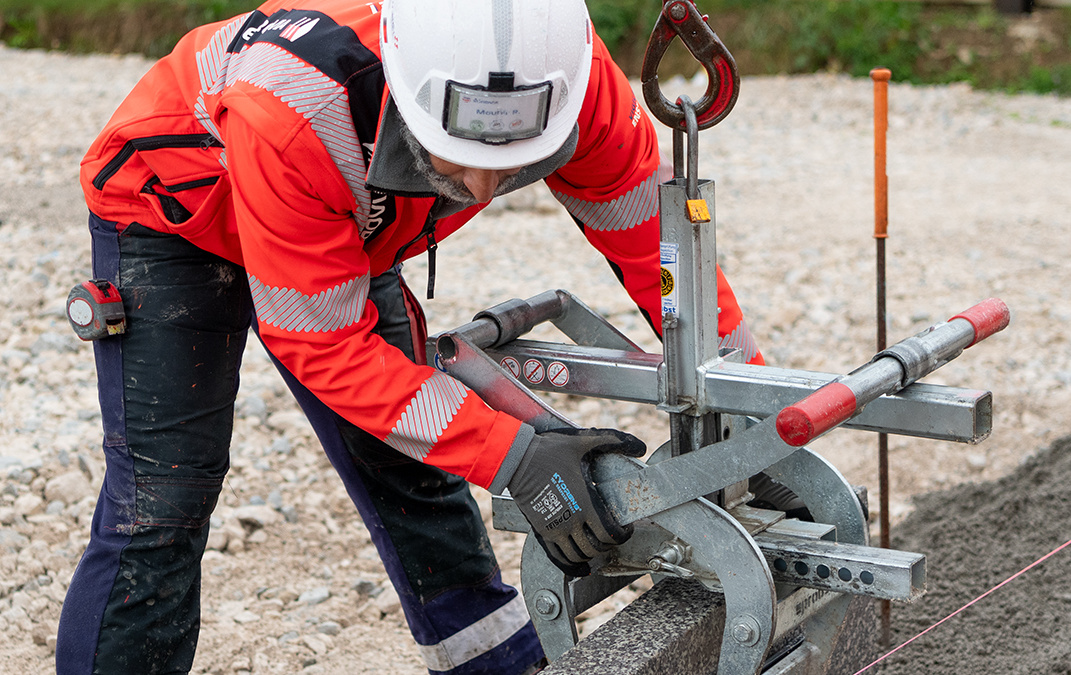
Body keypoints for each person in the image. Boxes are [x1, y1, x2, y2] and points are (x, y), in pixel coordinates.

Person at [56, 0, 764, 673]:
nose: (483, 188)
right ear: (403, 88)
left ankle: (493, 663)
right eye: (456, 159)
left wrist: (750, 409)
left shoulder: (570, 78)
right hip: (179, 211)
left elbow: (654, 248)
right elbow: (324, 344)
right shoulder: (296, 109)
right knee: (163, 502)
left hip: (342, 227)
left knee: (411, 459)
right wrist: (516, 455)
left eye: (513, 158)